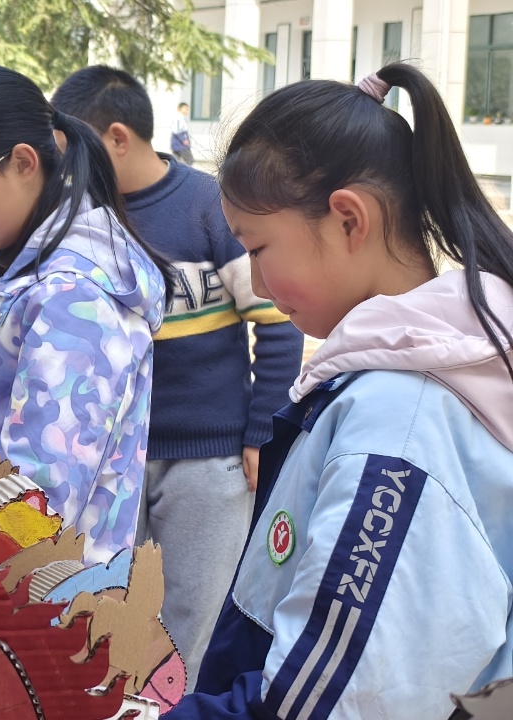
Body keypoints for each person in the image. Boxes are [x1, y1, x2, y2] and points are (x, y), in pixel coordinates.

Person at [166, 63, 513, 718]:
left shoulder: (399, 421)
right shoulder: (403, 382)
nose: (260, 287)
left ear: (350, 219)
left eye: (258, 247)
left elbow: (337, 697)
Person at [51, 65, 305, 685]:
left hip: (208, 458)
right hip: (115, 461)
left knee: (193, 618)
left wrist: (259, 432)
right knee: (111, 611)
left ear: (115, 138)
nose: (67, 170)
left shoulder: (207, 207)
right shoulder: (81, 219)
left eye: (73, 151)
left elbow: (277, 324)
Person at [0, 63, 176, 564]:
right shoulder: (24, 261)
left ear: (25, 162)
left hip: (33, 601)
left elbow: (39, 503)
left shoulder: (73, 297)